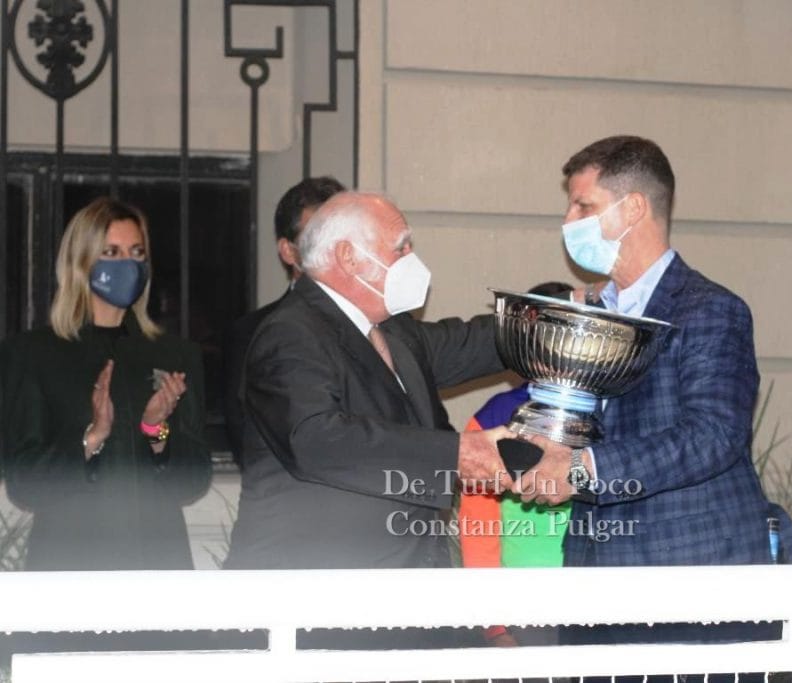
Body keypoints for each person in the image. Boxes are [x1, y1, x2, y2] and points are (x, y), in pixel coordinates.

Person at [514, 135, 788, 652]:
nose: (568, 221)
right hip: (594, 579)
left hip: (689, 582)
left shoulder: (709, 309)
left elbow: (714, 435)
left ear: (633, 208)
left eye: (583, 206)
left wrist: (582, 469)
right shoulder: (592, 314)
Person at [225, 191, 513, 572]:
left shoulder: (391, 330)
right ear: (348, 257)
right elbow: (317, 439)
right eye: (401, 247)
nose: (412, 258)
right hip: (315, 586)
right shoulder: (290, 332)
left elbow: (472, 343)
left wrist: (569, 310)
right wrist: (454, 455)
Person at [0, 197, 211, 570]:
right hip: (71, 564)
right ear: (80, 262)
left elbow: (193, 481)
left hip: (156, 563)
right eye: (111, 252)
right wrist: (91, 438)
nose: (127, 263)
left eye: (136, 252)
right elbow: (25, 483)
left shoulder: (175, 355)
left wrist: (156, 430)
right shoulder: (33, 354)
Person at [459, 281, 574, 648]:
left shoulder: (613, 412)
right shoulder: (495, 418)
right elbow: (478, 525)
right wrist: (494, 623)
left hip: (602, 602)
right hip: (524, 607)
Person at [223, 176, 345, 460]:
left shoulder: (381, 326)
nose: (335, 249)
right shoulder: (251, 333)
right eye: (318, 237)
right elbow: (247, 441)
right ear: (288, 251)